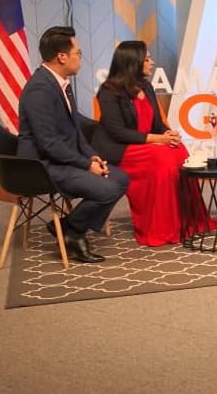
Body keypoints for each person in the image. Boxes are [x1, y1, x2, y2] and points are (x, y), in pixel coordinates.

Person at [17, 26, 129, 263]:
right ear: (62, 56)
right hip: (40, 166)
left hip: (61, 158)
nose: (80, 58)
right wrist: (86, 165)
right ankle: (75, 233)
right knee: (108, 189)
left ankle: (69, 227)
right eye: (78, 53)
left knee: (120, 178)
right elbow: (48, 143)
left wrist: (91, 156)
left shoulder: (60, 83)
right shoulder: (40, 89)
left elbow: (75, 130)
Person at [93, 40, 201, 246]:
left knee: (178, 150)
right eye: (147, 59)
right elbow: (117, 132)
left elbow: (156, 123)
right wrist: (157, 139)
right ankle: (161, 227)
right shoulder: (108, 91)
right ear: (133, 62)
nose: (151, 63)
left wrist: (168, 135)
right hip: (120, 148)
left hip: (145, 145)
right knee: (162, 158)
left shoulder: (146, 86)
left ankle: (185, 221)